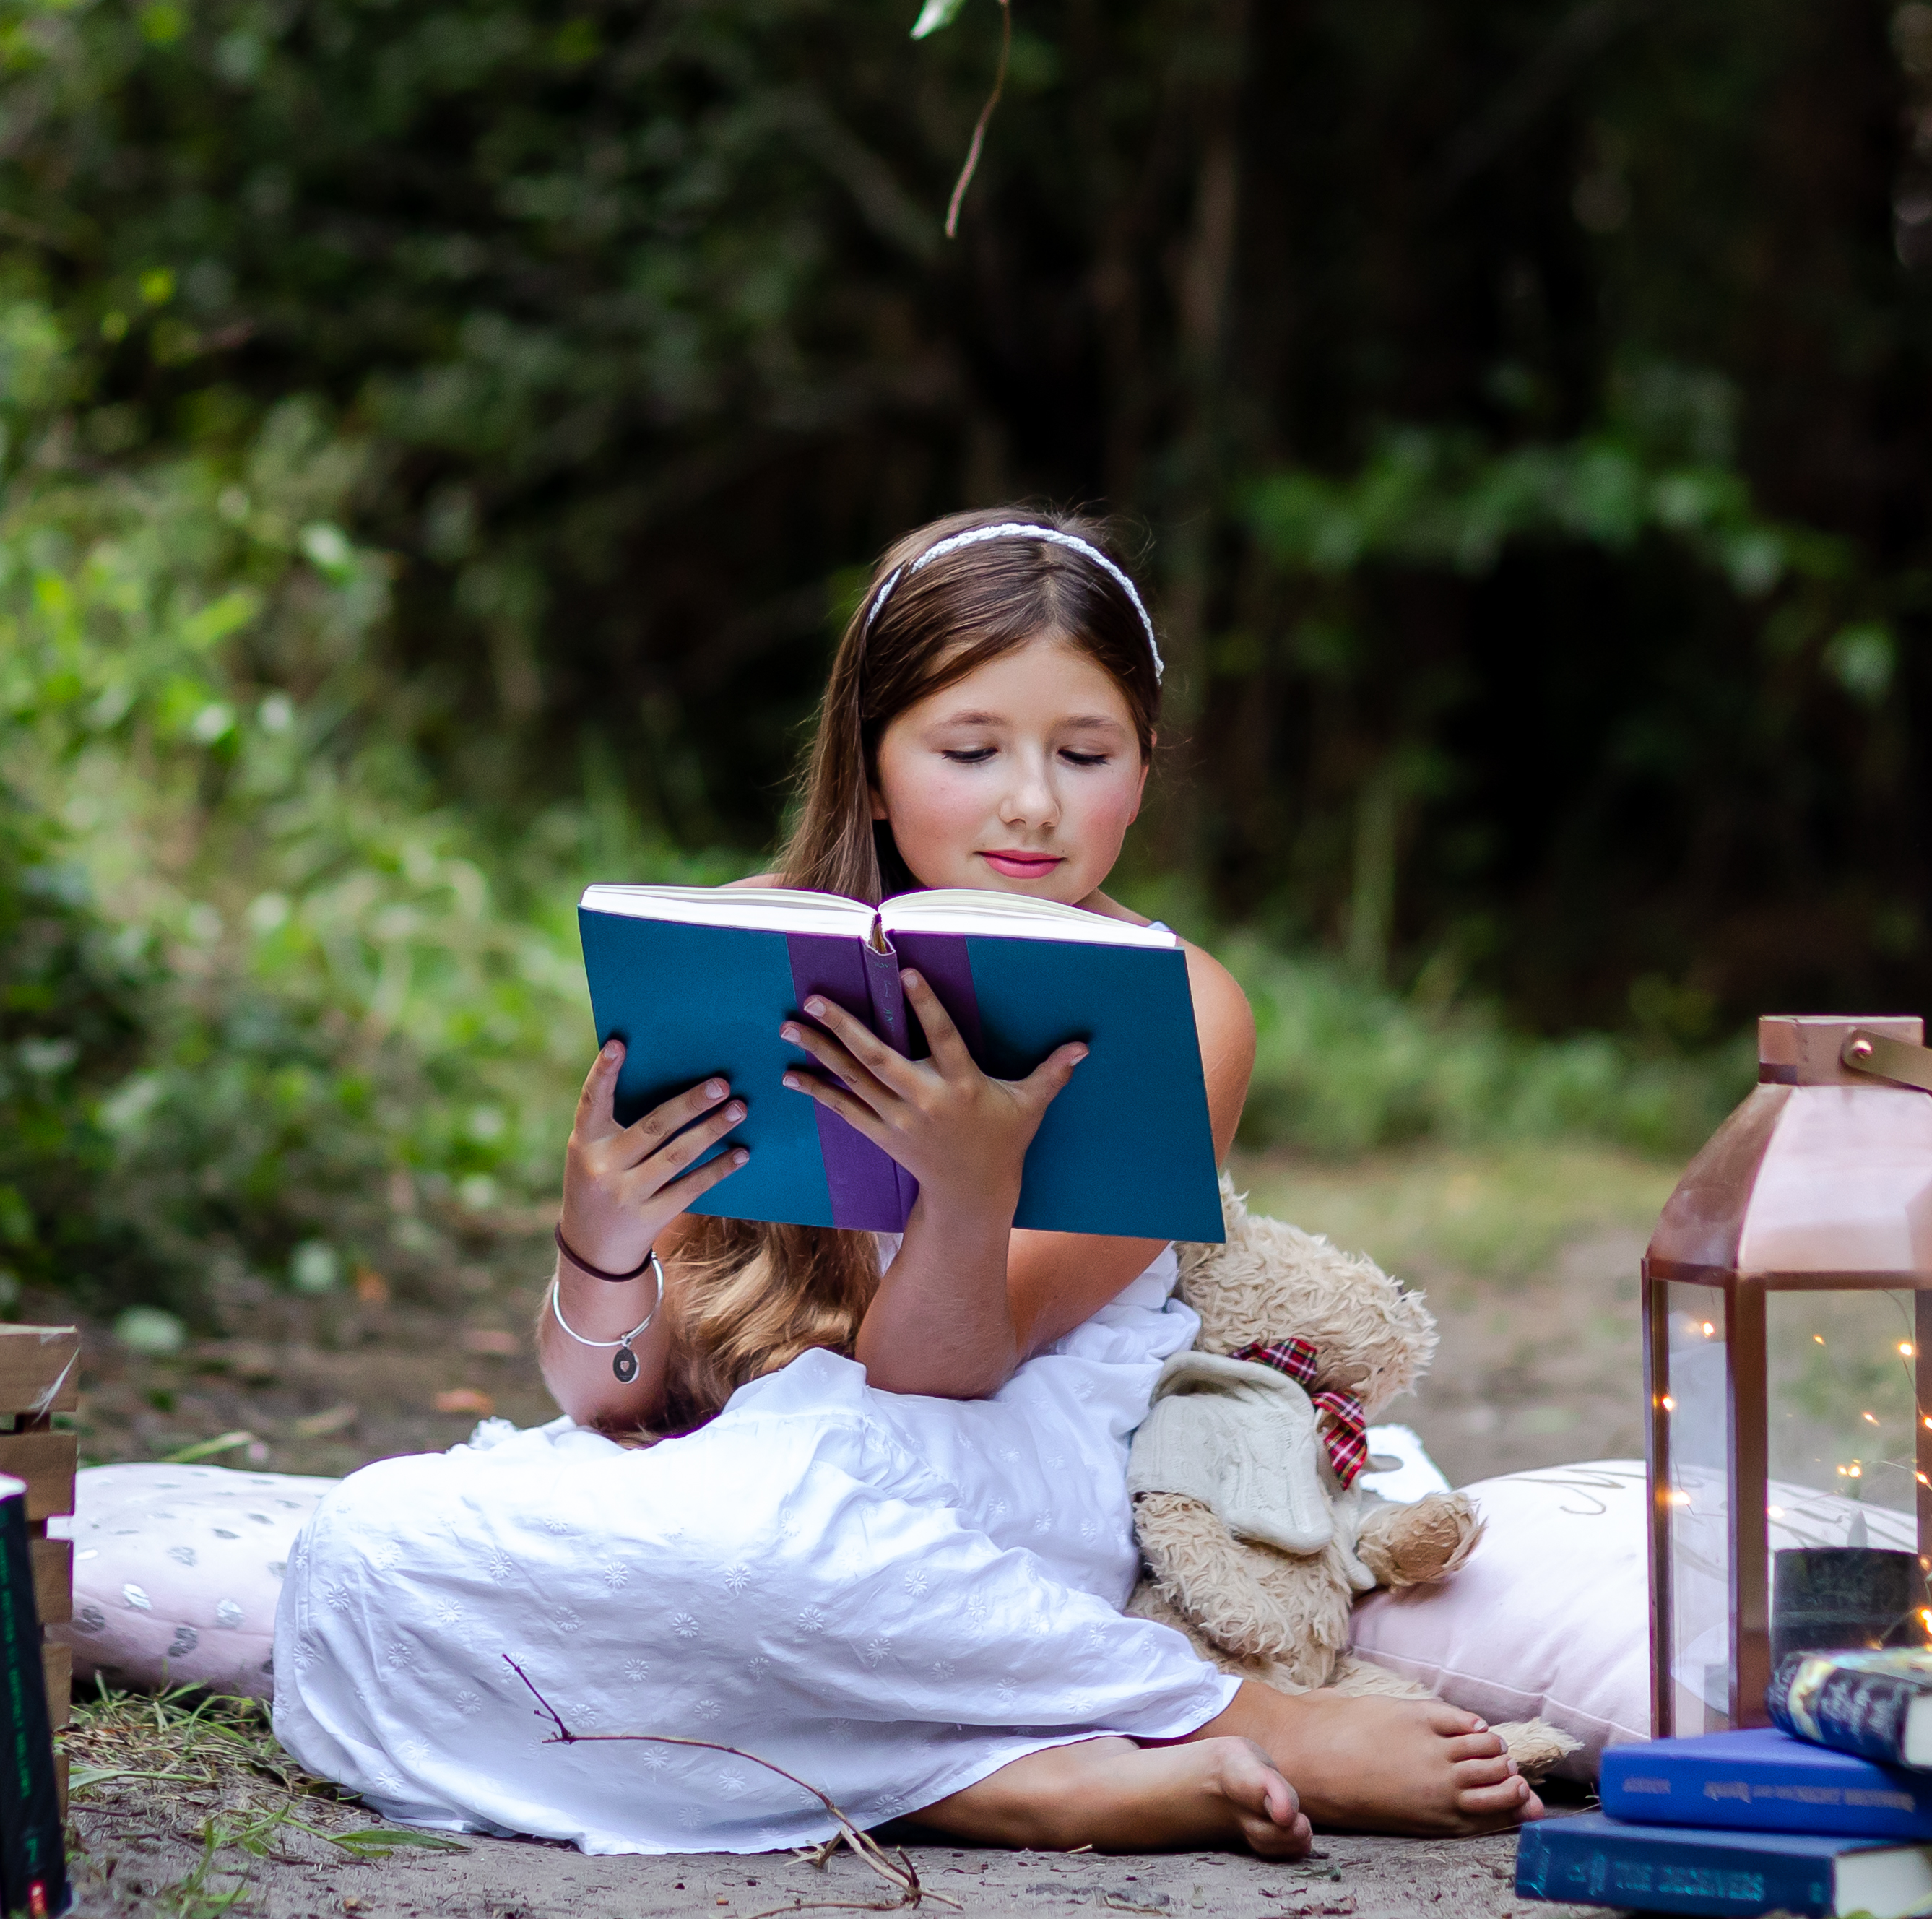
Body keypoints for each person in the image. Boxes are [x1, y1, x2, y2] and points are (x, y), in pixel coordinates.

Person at [269, 510, 1534, 1858]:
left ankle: (1232, 1716)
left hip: (986, 1484)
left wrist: (969, 1190)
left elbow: (946, 1377)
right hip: (751, 1482)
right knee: (363, 1551)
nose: (1032, 802)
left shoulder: (1184, 1005)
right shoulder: (746, 947)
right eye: (971, 751)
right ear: (872, 768)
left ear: (1145, 773)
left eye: (1085, 754)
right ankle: (981, 1785)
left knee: (773, 1523)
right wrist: (603, 1240)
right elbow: (611, 1403)